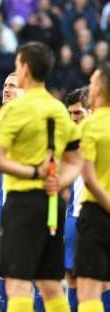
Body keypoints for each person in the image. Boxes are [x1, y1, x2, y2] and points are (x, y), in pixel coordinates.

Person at [0, 41, 83, 312]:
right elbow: (77, 159)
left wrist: (33, 173)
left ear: (25, 68)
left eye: (18, 64)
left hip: (21, 203)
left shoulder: (13, 110)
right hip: (52, 205)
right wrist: (60, 181)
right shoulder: (58, 110)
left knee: (17, 284)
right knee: (51, 284)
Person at [74, 63, 110, 312]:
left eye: (93, 81)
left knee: (89, 291)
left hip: (97, 212)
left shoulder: (90, 124)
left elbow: (87, 176)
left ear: (99, 89)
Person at [0, 72, 24, 312]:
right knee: (3, 274)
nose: (6, 89)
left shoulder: (31, 122)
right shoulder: (1, 121)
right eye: (4, 85)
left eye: (12, 85)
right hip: (3, 204)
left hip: (24, 206)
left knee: (23, 275)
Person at [61, 87, 91, 312]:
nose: (73, 119)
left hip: (99, 215)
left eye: (78, 113)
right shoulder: (68, 140)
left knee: (99, 279)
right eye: (70, 114)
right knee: (70, 275)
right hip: (74, 215)